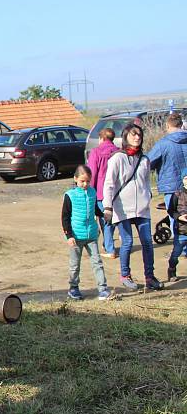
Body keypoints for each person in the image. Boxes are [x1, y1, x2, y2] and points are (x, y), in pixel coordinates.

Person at [102, 124, 163, 290]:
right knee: (127, 242)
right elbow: (108, 184)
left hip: (142, 208)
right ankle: (125, 275)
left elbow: (145, 182)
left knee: (147, 242)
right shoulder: (117, 158)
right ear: (126, 137)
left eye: (139, 135)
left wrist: (148, 195)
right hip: (122, 208)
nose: (137, 137)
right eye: (133, 134)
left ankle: (150, 277)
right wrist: (107, 207)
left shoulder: (144, 159)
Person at [61, 165, 110, 300]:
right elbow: (65, 217)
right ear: (75, 179)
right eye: (82, 181)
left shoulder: (92, 192)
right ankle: (73, 288)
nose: (85, 184)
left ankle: (103, 289)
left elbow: (94, 209)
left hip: (92, 235)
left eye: (88, 181)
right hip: (76, 236)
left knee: (97, 262)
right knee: (75, 264)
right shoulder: (69, 196)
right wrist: (69, 236)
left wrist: (103, 214)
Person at [147, 113, 187, 239]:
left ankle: (181, 248)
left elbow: (147, 163)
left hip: (172, 187)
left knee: (176, 218)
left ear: (167, 126)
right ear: (181, 125)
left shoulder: (162, 144)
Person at [87, 127, 120, 258]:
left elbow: (92, 174)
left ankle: (110, 249)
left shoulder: (95, 152)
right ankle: (107, 244)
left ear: (101, 138)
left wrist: (91, 192)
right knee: (112, 219)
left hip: (101, 192)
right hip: (117, 192)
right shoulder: (119, 152)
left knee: (105, 221)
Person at [166, 167, 187, 280]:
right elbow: (171, 210)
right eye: (186, 178)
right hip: (181, 230)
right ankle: (172, 270)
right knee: (176, 253)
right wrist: (179, 217)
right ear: (182, 180)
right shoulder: (177, 195)